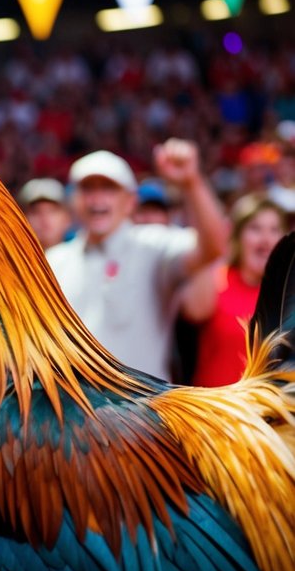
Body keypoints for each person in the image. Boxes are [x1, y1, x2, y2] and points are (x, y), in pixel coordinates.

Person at [45, 141, 229, 379]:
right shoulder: (54, 261)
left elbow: (213, 248)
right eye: (88, 189)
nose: (97, 199)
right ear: (74, 200)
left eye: (109, 189)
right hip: (74, 411)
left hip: (144, 411)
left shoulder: (153, 246)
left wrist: (191, 183)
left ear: (130, 201)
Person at [182, 195, 288, 387]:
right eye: (255, 228)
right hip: (212, 411)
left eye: (274, 230)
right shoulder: (217, 278)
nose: (266, 239)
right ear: (238, 235)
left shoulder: (289, 294)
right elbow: (193, 311)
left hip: (269, 414)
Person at [16, 177, 71, 250]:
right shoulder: (8, 259)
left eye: (52, 211)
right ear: (21, 220)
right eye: (35, 212)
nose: (44, 218)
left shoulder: (85, 257)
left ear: (67, 218)